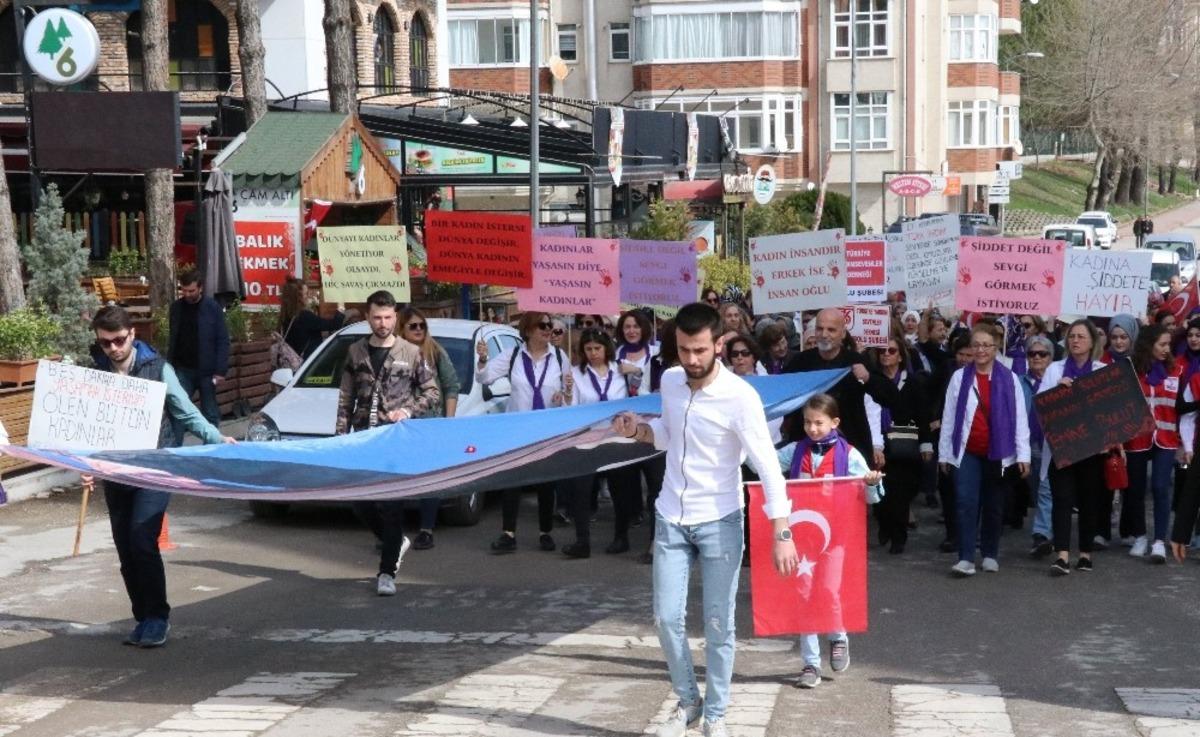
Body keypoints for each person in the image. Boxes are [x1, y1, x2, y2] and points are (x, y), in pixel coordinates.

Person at [611, 302, 798, 737]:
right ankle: (689, 701)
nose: (690, 360)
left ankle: (716, 714)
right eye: (683, 350)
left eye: (699, 350)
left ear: (718, 344)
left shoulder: (741, 397)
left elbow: (767, 466)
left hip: (720, 520)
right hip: (670, 517)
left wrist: (781, 531)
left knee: (718, 624)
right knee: (665, 619)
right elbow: (667, 434)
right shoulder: (672, 381)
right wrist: (637, 430)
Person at [91, 305, 235, 647]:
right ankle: (141, 617)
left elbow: (185, 412)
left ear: (132, 334)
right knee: (126, 549)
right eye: (105, 343)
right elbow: (89, 426)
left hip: (155, 469)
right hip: (117, 472)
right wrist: (84, 464)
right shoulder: (95, 371)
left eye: (118, 340)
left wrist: (217, 438)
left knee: (143, 540)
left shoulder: (158, 368)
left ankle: (157, 617)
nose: (113, 349)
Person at [336, 291, 440, 595]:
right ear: (368, 317)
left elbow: (431, 391)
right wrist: (341, 437)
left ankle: (386, 572)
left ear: (396, 317)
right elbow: (345, 397)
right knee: (360, 502)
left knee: (392, 505)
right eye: (377, 317)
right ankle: (395, 542)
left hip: (396, 439)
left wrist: (408, 410)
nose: (382, 323)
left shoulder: (410, 351)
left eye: (388, 317)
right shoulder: (356, 352)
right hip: (365, 437)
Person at [777, 394, 883, 688]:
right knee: (804, 594)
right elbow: (765, 465)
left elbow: (870, 495)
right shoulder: (795, 451)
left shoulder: (849, 455)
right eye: (808, 422)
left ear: (834, 422)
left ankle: (838, 636)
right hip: (802, 535)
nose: (812, 428)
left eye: (819, 423)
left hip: (834, 537)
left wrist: (872, 483)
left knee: (827, 589)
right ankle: (810, 663)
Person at [938, 322, 1030, 576]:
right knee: (966, 501)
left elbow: (1019, 417)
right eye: (976, 345)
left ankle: (990, 553)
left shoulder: (1009, 378)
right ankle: (966, 557)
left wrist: (1023, 455)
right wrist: (944, 454)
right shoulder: (959, 377)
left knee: (993, 503)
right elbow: (949, 417)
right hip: (967, 451)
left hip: (998, 452)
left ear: (995, 348)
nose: (980, 350)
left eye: (986, 345)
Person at [477, 311, 573, 554]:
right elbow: (485, 377)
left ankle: (545, 533)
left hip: (546, 430)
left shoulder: (560, 358)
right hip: (518, 430)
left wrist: (565, 394)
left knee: (545, 484)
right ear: (528, 330)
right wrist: (482, 358)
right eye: (542, 325)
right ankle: (508, 534)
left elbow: (570, 402)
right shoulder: (513, 356)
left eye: (550, 325)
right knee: (513, 482)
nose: (548, 329)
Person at [1038, 319, 1109, 575]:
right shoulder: (1054, 370)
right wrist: (1057, 393)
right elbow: (1040, 406)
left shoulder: (1101, 370)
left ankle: (1086, 553)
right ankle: (1063, 555)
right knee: (1062, 499)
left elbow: (1109, 408)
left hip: (1092, 449)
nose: (1075, 341)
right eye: (1071, 336)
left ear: (1092, 342)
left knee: (1090, 500)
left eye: (1081, 336)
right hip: (1062, 447)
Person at [785, 308, 900, 465]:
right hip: (808, 451)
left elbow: (892, 397)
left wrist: (868, 378)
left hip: (850, 449)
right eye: (820, 329)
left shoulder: (856, 361)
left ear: (843, 334)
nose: (824, 334)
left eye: (831, 329)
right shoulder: (800, 363)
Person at [562, 329, 637, 558]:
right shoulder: (575, 374)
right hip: (588, 439)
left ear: (606, 348)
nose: (593, 353)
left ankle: (621, 537)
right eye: (588, 349)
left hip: (617, 438)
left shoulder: (620, 369)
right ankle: (582, 541)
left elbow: (638, 393)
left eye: (597, 348)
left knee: (620, 490)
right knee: (582, 491)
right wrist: (566, 393)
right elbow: (570, 410)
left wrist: (636, 371)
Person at [397, 306, 460, 551]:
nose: (419, 330)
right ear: (402, 328)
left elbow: (451, 386)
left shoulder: (435, 353)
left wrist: (448, 422)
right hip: (402, 425)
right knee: (400, 478)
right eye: (413, 326)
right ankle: (394, 532)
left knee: (429, 479)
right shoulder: (395, 354)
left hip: (432, 424)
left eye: (422, 325)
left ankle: (426, 529)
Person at [867, 336, 932, 554]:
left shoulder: (912, 382)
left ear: (901, 356)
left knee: (901, 494)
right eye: (882, 351)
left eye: (892, 350)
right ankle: (884, 524)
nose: (886, 354)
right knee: (881, 492)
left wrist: (926, 444)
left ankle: (899, 537)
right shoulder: (871, 379)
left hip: (905, 444)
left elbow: (922, 412)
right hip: (880, 443)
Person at [1124, 325, 1181, 564]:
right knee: (1135, 489)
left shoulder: (1176, 370)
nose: (1167, 350)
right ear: (1149, 345)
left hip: (1166, 439)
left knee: (1160, 486)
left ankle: (1159, 541)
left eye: (1169, 344)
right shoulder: (1132, 370)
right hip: (1137, 438)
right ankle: (1140, 535)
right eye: (1162, 344)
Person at [167, 268, 229, 444]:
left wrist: (220, 370)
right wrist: (170, 365)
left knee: (209, 410)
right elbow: (173, 338)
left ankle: (211, 449)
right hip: (182, 368)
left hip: (207, 370)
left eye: (191, 291)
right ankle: (175, 449)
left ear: (200, 288)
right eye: (184, 290)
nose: (187, 294)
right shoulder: (176, 308)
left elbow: (222, 339)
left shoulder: (212, 308)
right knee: (177, 409)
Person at [1021, 335, 1056, 557]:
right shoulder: (1019, 382)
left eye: (1042, 353)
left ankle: (1041, 534)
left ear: (1050, 357)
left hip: (1049, 444)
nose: (1036, 357)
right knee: (1035, 489)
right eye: (1032, 353)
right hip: (1026, 443)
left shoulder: (1058, 380)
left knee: (1045, 489)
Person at [278, 276, 345, 360]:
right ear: (298, 298)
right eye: (306, 293)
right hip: (307, 365)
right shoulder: (305, 316)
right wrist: (341, 306)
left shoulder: (285, 317)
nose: (308, 296)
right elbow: (335, 324)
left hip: (292, 365)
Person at [616, 309, 656, 396]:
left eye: (636, 326)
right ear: (621, 330)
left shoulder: (656, 354)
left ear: (644, 329)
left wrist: (637, 371)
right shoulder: (615, 355)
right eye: (627, 327)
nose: (631, 331)